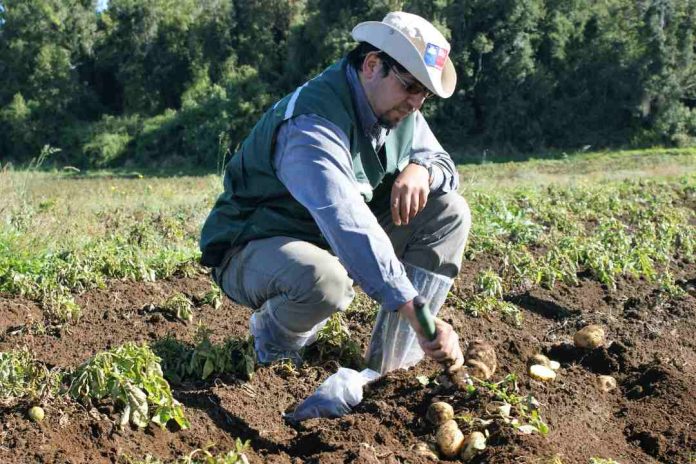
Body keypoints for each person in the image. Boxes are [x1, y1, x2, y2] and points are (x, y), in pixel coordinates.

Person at [200, 11, 471, 374]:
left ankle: (390, 368)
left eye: (424, 93)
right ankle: (275, 348)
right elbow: (347, 221)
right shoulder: (311, 125)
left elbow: (443, 163)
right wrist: (417, 311)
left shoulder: (399, 110)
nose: (417, 103)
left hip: (324, 241)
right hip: (254, 244)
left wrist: (422, 169)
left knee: (449, 212)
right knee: (325, 282)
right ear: (373, 65)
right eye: (411, 86)